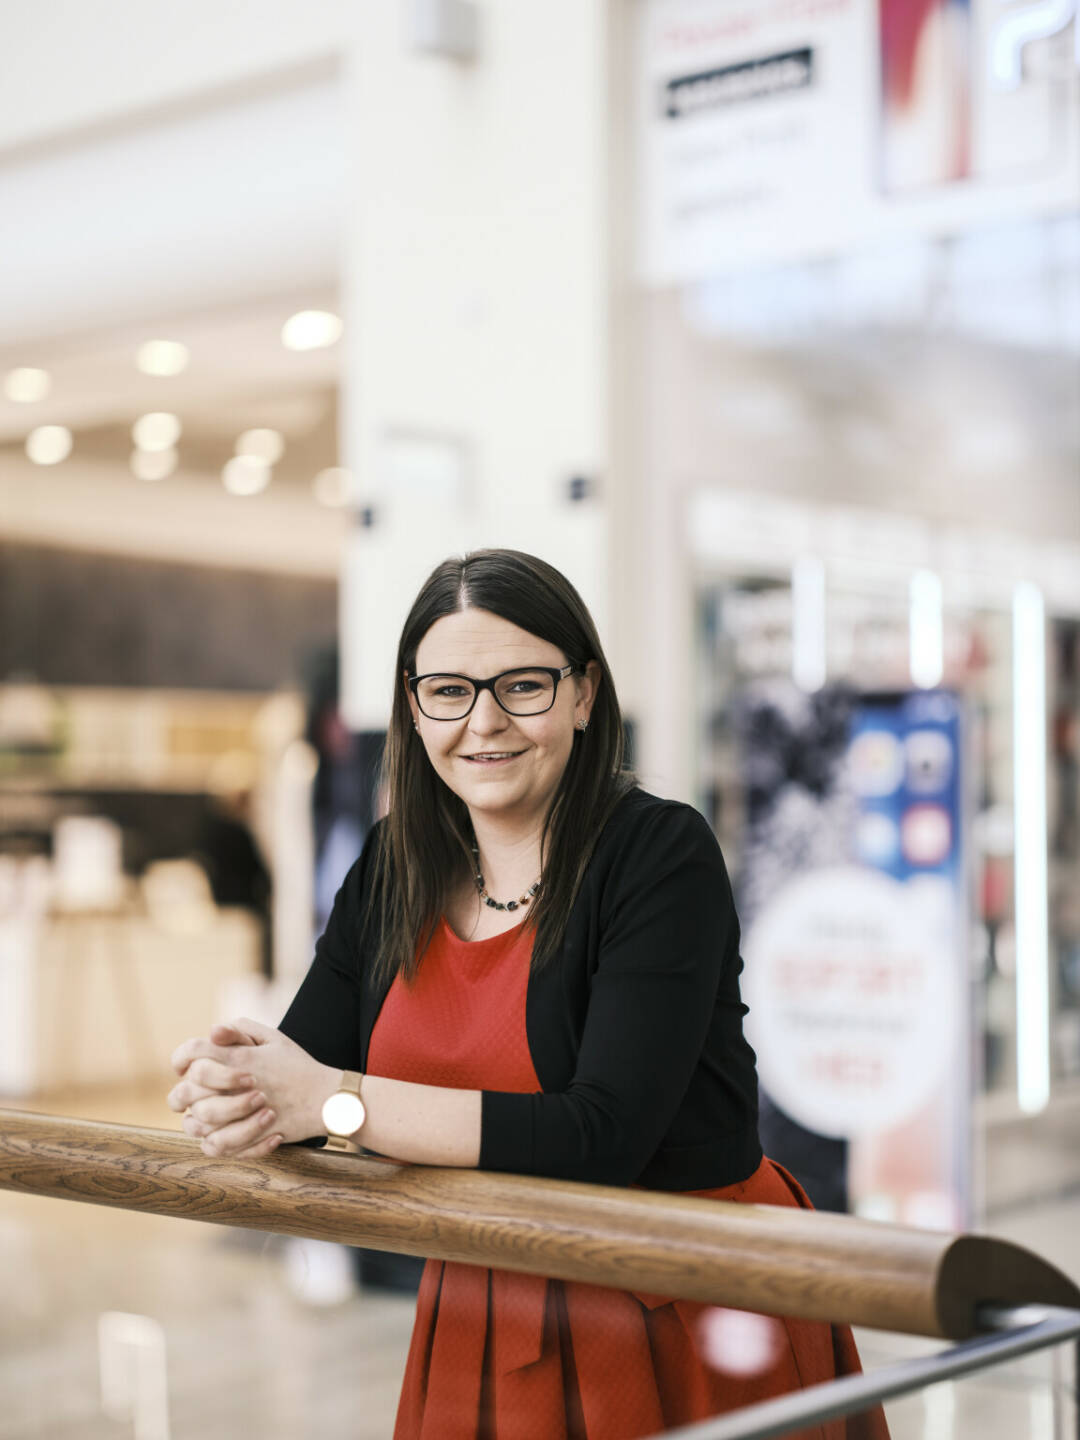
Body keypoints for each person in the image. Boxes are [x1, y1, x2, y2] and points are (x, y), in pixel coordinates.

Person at [168, 549, 889, 1440]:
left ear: (584, 694)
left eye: (523, 685)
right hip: (480, 1289)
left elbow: (602, 1136)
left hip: (683, 1300)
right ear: (412, 704)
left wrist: (335, 1103)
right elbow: (308, 1072)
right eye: (449, 690)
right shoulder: (397, 863)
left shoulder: (660, 854)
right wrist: (241, 1088)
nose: (484, 722)